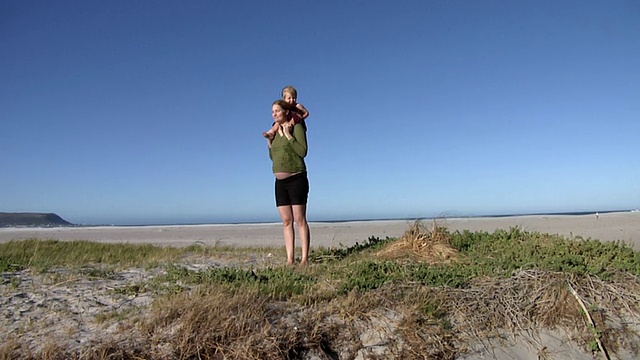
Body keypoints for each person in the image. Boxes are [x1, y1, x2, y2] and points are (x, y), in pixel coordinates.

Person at [267, 99, 310, 265]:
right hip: (279, 182)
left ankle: (305, 259)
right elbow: (273, 158)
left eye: (277, 111)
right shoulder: (275, 131)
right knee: (286, 221)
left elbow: (303, 151)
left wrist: (290, 136)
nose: (274, 114)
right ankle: (290, 259)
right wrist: (270, 143)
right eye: (273, 112)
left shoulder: (296, 126)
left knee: (300, 220)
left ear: (285, 111)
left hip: (297, 178)